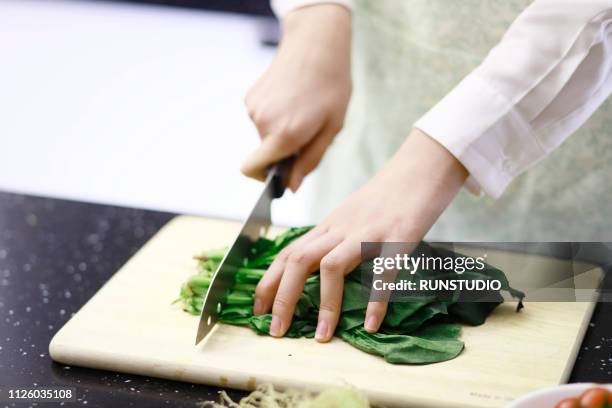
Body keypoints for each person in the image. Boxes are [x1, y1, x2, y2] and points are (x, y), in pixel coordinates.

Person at [240, 0, 612, 343]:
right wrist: (315, 19)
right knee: (340, 270)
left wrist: (443, 151)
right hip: (379, 131)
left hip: (566, 189)